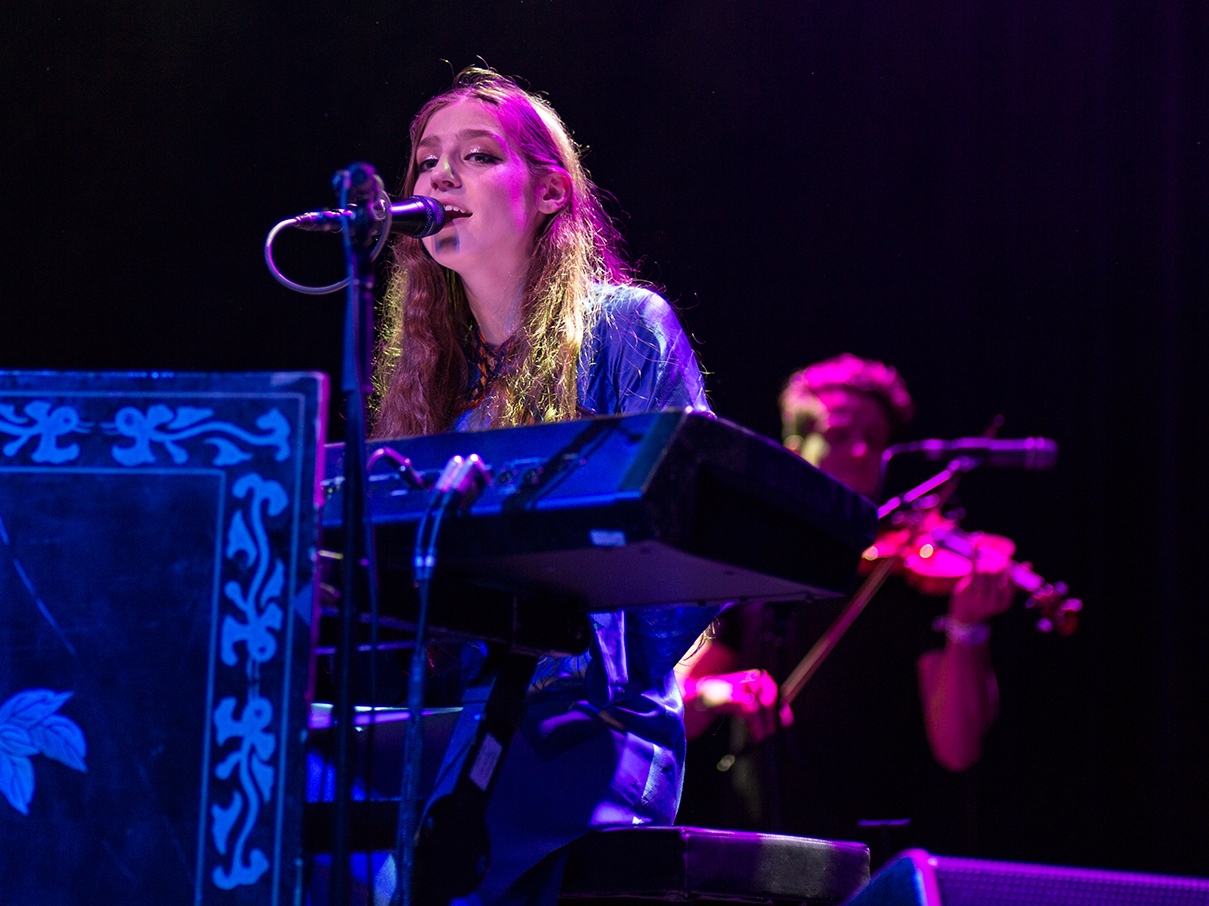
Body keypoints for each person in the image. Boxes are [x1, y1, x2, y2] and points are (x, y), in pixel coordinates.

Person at [370, 67, 716, 905]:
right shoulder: (432, 385)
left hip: (592, 725)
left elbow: (695, 538)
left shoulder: (624, 328)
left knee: (425, 861)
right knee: (288, 777)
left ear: (551, 192)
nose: (439, 178)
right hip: (463, 718)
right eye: (426, 160)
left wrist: (602, 668)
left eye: (477, 156)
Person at [674, 355, 1016, 844]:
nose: (859, 451)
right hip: (756, 850)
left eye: (874, 439)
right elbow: (675, 709)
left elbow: (958, 750)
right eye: (838, 435)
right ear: (795, 450)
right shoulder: (755, 571)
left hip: (876, 855)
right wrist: (717, 692)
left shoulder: (908, 581)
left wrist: (968, 628)